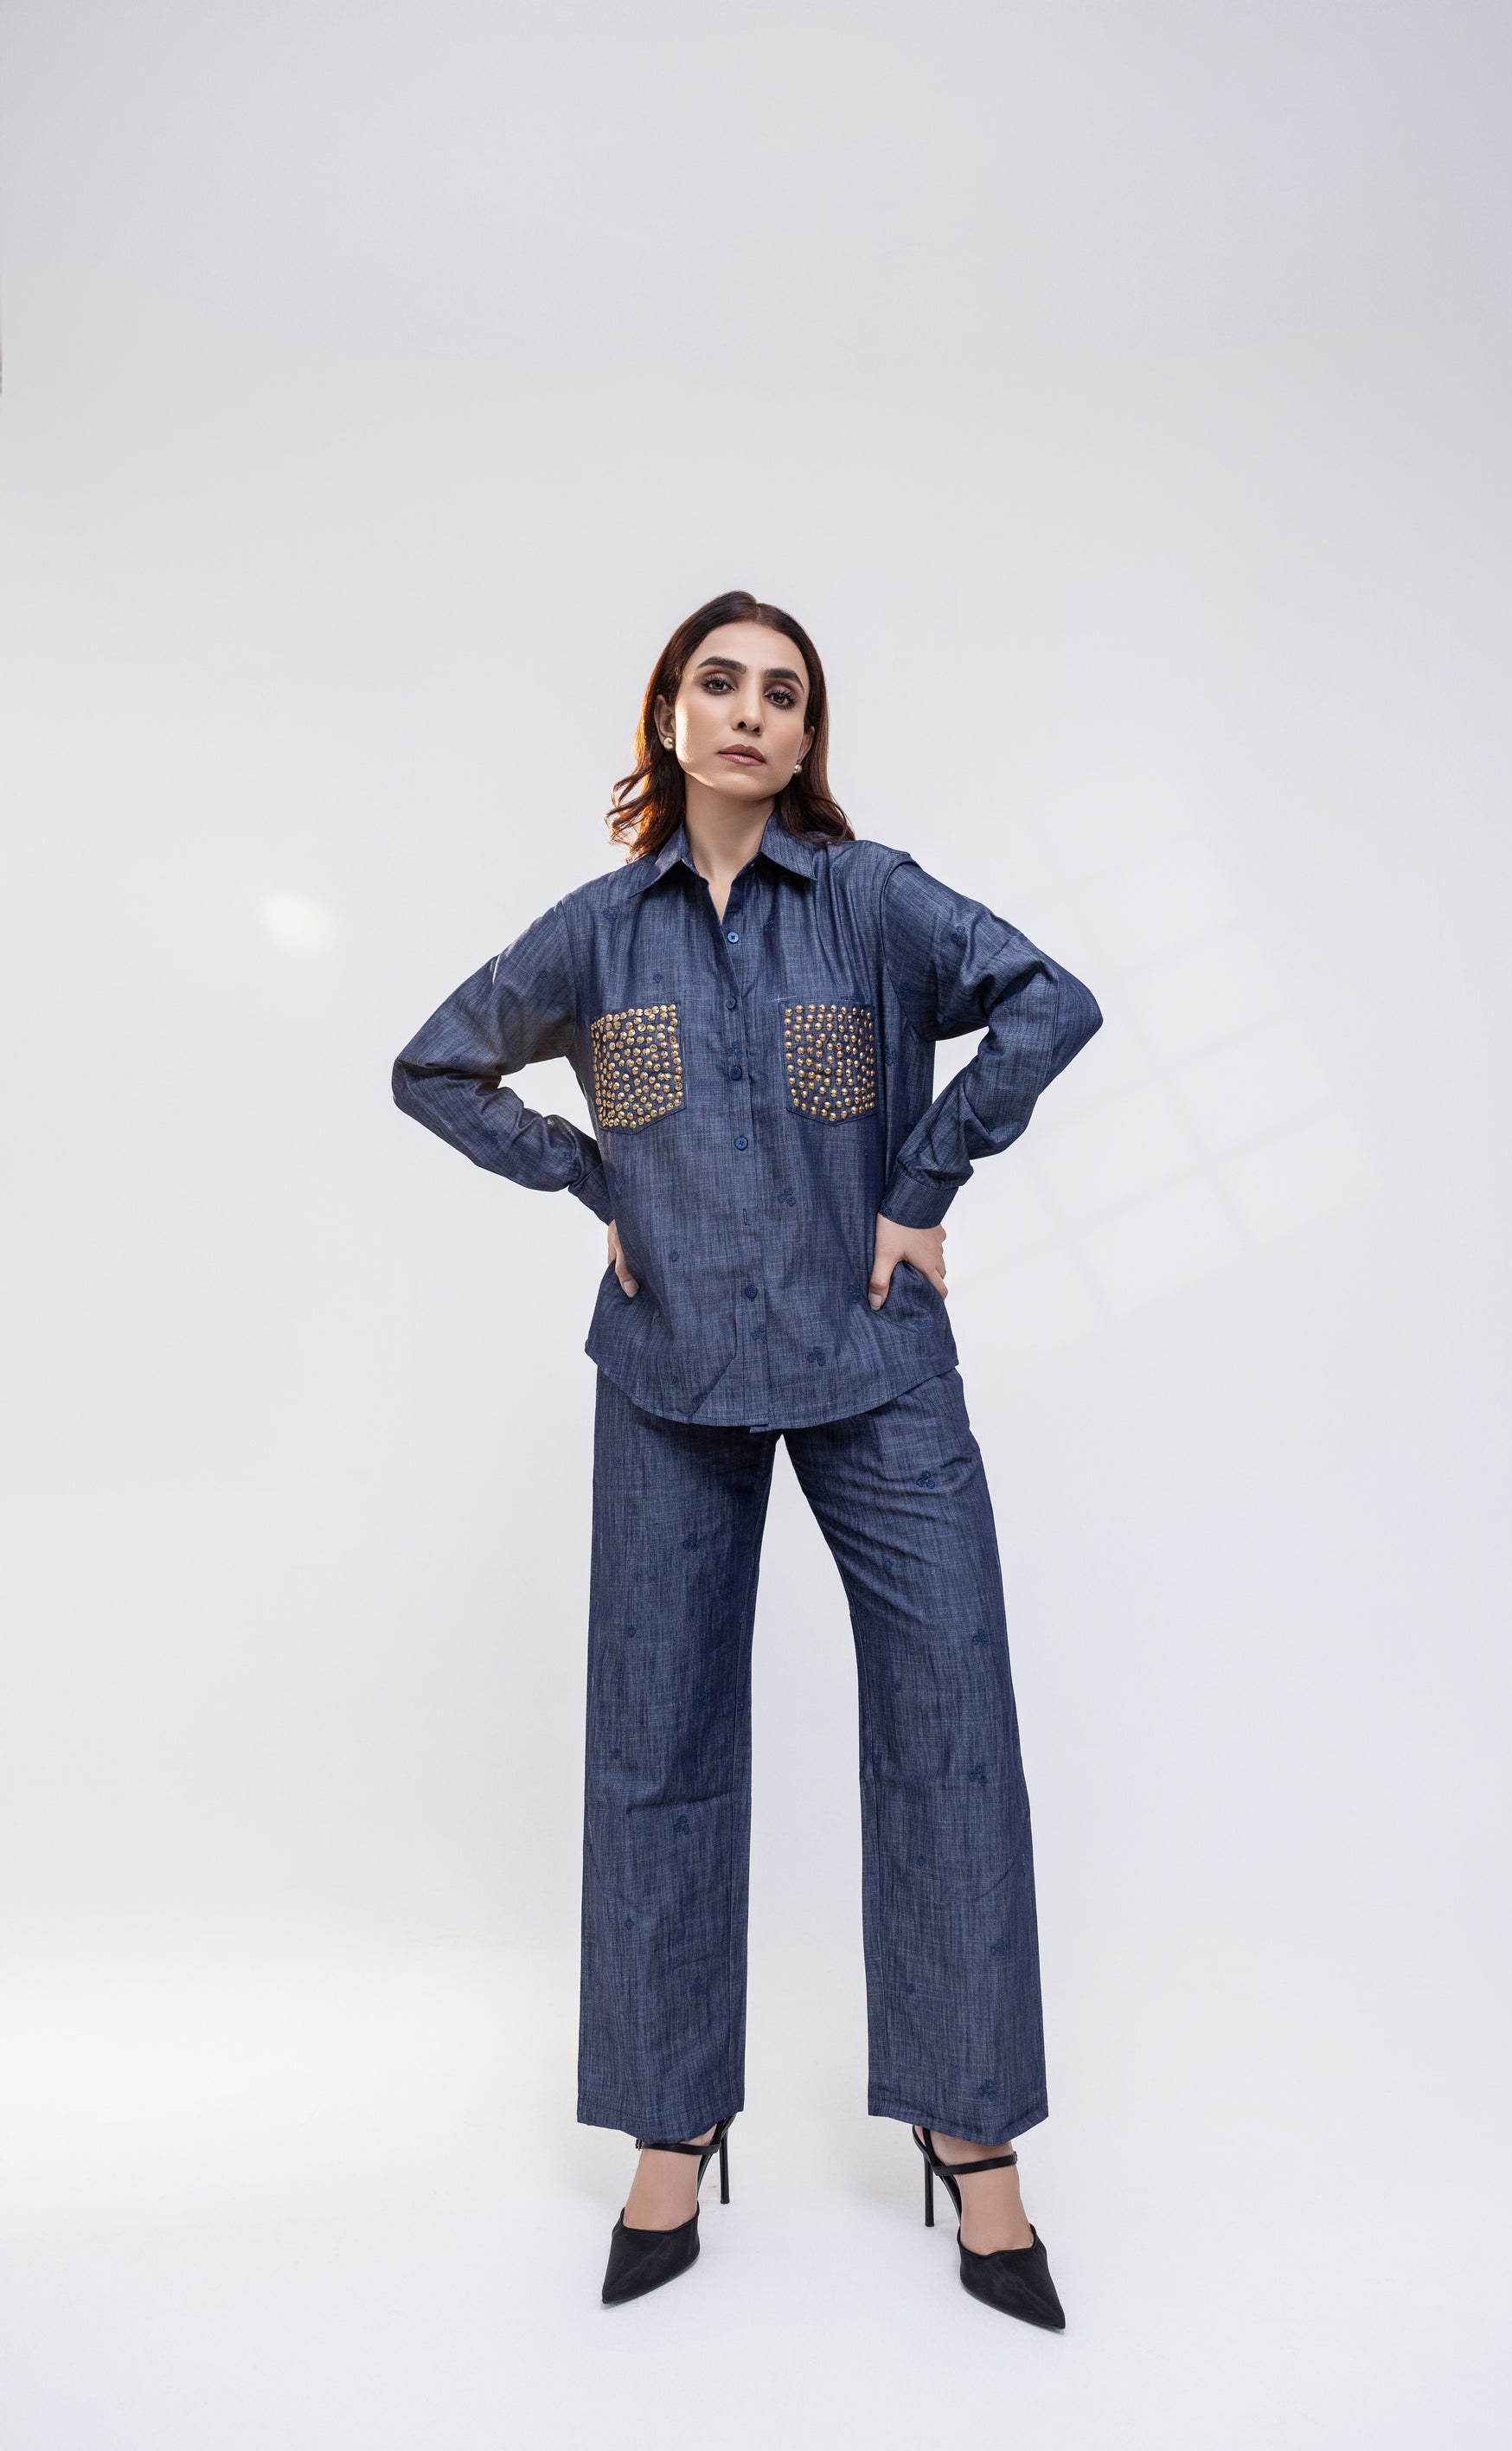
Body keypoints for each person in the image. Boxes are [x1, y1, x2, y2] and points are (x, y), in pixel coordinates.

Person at [393, 592, 1102, 2329]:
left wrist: (920, 1187)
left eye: (783, 694)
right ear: (668, 710)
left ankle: (972, 2138)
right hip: (667, 1376)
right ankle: (671, 2126)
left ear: (805, 736)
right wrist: (590, 1177)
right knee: (657, 1752)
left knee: (949, 1732)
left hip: (876, 1369)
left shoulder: (868, 900)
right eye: (720, 683)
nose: (750, 713)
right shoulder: (594, 935)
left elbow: (1048, 1000)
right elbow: (435, 1066)